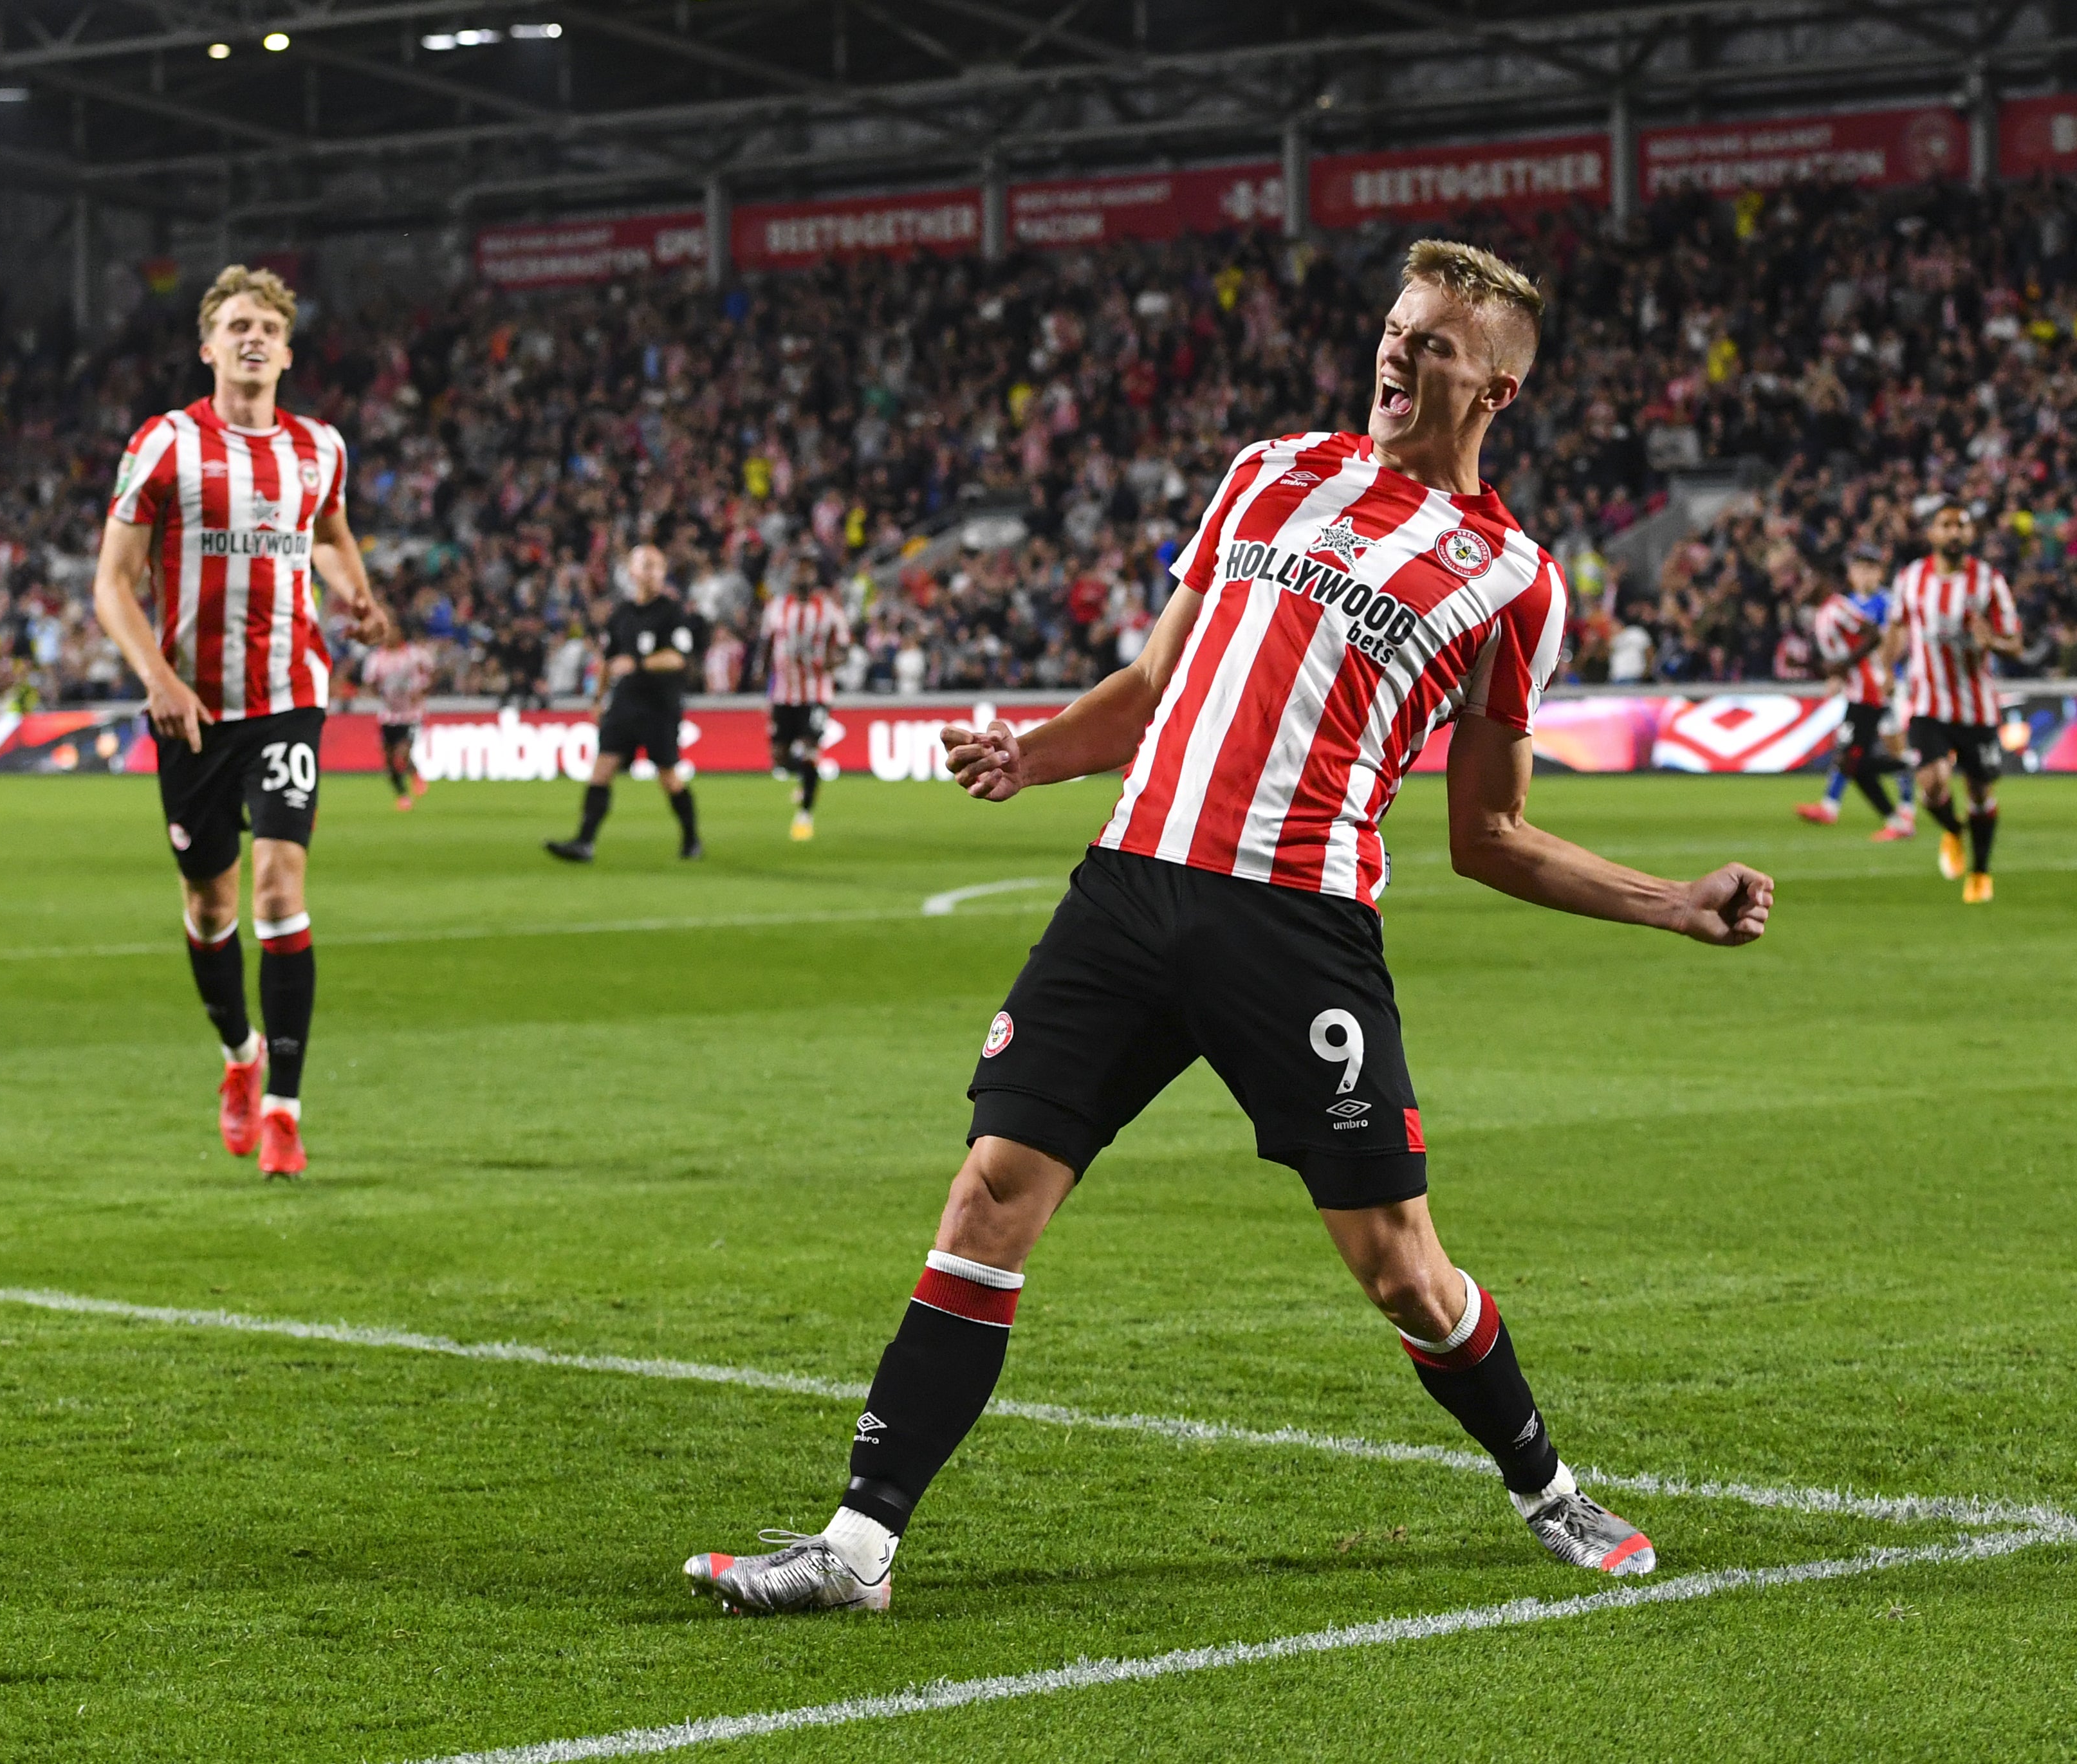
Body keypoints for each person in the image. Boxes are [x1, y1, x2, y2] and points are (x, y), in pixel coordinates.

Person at [680, 239, 1775, 1617]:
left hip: (1296, 924)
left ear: (1497, 388)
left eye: (1434, 343)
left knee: (1399, 1268)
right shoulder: (1272, 469)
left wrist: (1671, 902)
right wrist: (1034, 755)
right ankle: (856, 1548)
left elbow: (1486, 832)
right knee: (989, 1195)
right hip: (1128, 888)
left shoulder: (1514, 583)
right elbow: (1152, 679)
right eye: (1395, 327)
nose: (1397, 353)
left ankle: (1546, 1484)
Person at [89, 264, 391, 1178]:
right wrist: (159, 679)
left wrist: (359, 595)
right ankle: (238, 1054)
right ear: (208, 347)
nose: (253, 337)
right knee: (209, 904)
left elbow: (329, 534)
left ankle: (286, 1109)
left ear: (288, 351)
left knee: (277, 888)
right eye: (237, 325)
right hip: (191, 713)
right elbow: (111, 584)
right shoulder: (166, 446)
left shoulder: (319, 449)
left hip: (289, 697)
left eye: (268, 325)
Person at [1879, 502, 2017, 903]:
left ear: (1970, 534)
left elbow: (2015, 642)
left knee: (1979, 792)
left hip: (1977, 707)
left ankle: (1980, 872)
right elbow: (1897, 629)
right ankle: (1954, 832)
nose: (1955, 532)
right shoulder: (1911, 579)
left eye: (1962, 525)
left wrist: (1992, 641)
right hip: (1927, 703)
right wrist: (1888, 669)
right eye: (1946, 525)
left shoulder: (1988, 581)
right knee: (1932, 782)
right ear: (1933, 534)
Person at [545, 542, 705, 863]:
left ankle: (691, 839)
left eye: (656, 566)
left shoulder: (671, 613)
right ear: (631, 572)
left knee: (668, 777)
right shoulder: (622, 614)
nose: (651, 572)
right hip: (625, 704)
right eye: (645, 565)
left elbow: (679, 658)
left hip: (660, 706)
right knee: (602, 769)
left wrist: (640, 664)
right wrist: (598, 699)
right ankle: (584, 842)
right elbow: (607, 661)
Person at [1795, 546, 1915, 839]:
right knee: (1851, 748)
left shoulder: (1887, 602)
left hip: (1885, 683)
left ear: (1880, 572)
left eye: (1871, 568)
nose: (1864, 574)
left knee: (1890, 746)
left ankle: (1906, 808)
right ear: (1851, 573)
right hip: (1861, 686)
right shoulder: (1844, 604)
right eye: (1859, 568)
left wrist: (1887, 671)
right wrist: (1838, 675)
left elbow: (1896, 640)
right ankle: (1832, 805)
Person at [759, 563, 849, 842]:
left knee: (811, 748)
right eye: (798, 573)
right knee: (779, 756)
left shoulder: (829, 611)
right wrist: (763, 678)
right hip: (784, 693)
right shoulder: (776, 608)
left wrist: (833, 661)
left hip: (816, 692)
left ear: (814, 580)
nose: (802, 578)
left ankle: (805, 815)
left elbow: (844, 647)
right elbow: (766, 643)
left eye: (808, 573)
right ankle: (807, 781)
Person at [361, 616, 436, 810]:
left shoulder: (415, 655)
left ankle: (416, 775)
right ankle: (402, 795)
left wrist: (421, 692)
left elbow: (432, 673)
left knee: (402, 753)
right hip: (389, 714)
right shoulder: (376, 659)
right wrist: (376, 692)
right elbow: (370, 683)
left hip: (411, 713)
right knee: (388, 758)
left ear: (401, 634)